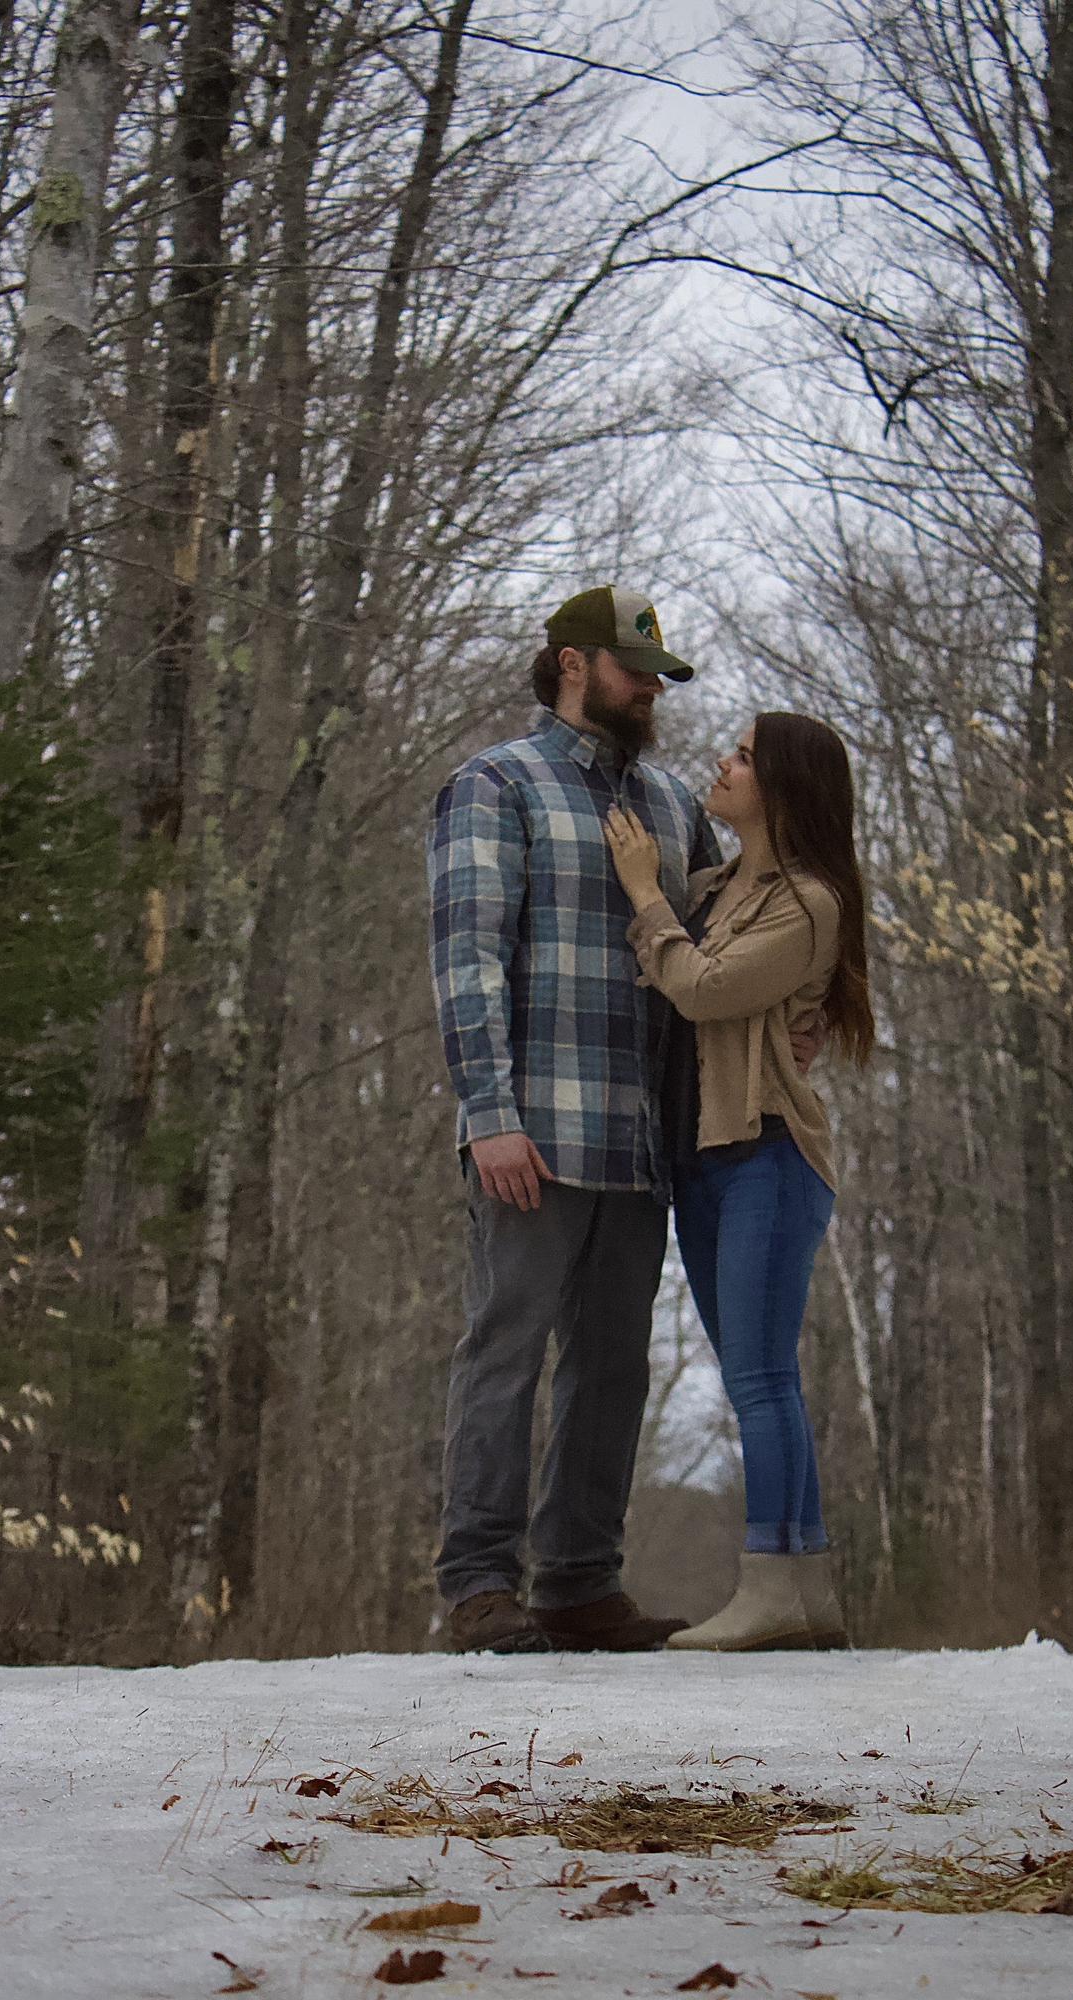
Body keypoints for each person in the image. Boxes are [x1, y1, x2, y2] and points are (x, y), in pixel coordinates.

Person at [426, 585, 722, 1654]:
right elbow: (466, 963)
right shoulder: (493, 784)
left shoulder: (674, 802)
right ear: (569, 665)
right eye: (633, 668)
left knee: (613, 1362)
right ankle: (476, 1588)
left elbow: (721, 954)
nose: (649, 688)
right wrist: (487, 1111)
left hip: (640, 1141)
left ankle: (580, 1583)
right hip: (531, 1131)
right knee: (503, 1347)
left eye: (654, 674)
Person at [604, 712, 874, 1651]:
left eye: (746, 756)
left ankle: (770, 1587)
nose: (725, 761)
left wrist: (644, 894)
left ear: (784, 787)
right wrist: (666, 908)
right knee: (760, 1377)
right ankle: (804, 1593)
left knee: (758, 1379)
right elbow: (693, 974)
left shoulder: (812, 903)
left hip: (767, 1153)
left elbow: (706, 989)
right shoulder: (715, 885)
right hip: (701, 1155)